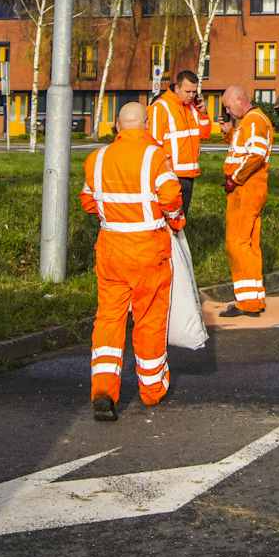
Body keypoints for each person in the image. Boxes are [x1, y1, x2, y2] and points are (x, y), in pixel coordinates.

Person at [80, 101, 184, 422]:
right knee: (149, 318)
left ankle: (103, 390)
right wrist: (177, 221)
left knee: (109, 319)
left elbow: (88, 201)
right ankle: (151, 390)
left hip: (110, 248)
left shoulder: (96, 158)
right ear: (147, 123)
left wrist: (115, 217)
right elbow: (170, 197)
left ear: (117, 124)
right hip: (147, 249)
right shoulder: (155, 156)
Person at [217, 86, 272, 318]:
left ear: (240, 100)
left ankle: (247, 303)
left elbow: (255, 155)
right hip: (250, 187)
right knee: (249, 243)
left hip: (245, 187)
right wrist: (230, 132)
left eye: (229, 107)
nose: (228, 112)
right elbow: (246, 149)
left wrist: (234, 178)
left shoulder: (254, 121)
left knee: (236, 243)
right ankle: (254, 299)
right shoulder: (250, 121)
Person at [150, 69, 206, 212]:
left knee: (181, 219)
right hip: (170, 175)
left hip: (189, 174)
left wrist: (203, 113)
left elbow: (205, 134)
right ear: (177, 88)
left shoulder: (192, 107)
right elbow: (153, 144)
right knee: (168, 220)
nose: (191, 96)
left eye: (194, 92)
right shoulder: (161, 106)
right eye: (187, 92)